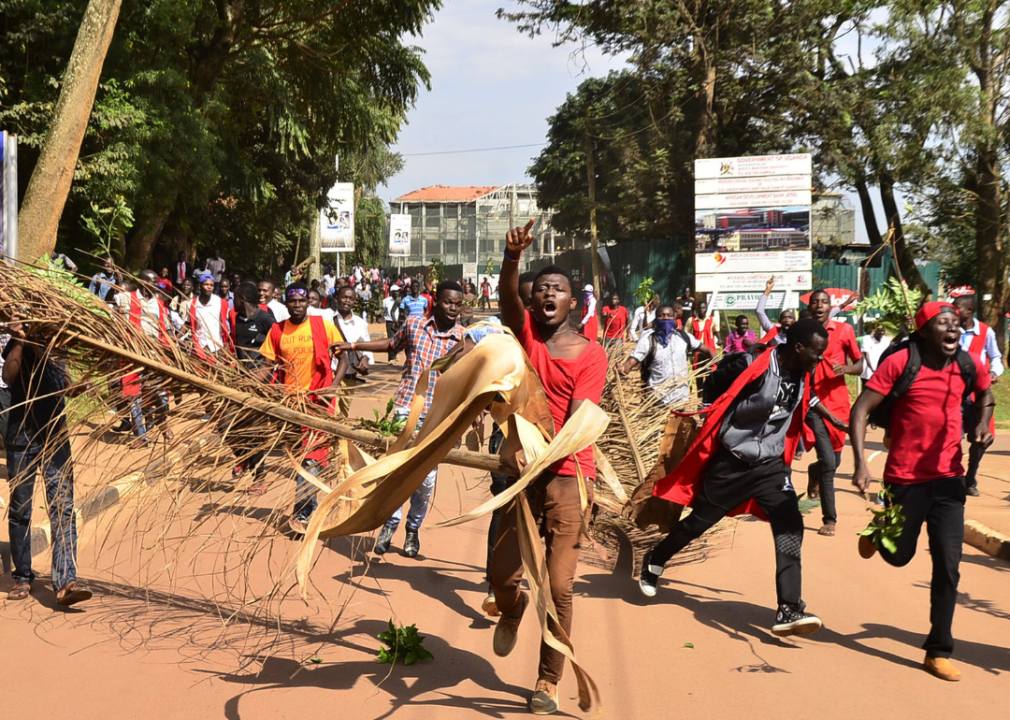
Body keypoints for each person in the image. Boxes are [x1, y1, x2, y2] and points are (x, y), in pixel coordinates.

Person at [640, 319, 846, 638]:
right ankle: (657, 556)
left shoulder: (805, 370)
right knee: (698, 523)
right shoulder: (753, 364)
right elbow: (713, 384)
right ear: (798, 348)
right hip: (732, 462)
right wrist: (712, 415)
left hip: (770, 467)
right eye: (817, 353)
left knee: (789, 526)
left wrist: (835, 420)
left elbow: (810, 399)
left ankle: (788, 607)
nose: (821, 359)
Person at [489, 219, 608, 715]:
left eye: (556, 289)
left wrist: (541, 451)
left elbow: (581, 418)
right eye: (539, 291)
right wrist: (512, 259)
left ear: (572, 302)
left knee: (559, 587)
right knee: (501, 577)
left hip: (567, 476)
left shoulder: (591, 354)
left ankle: (547, 679)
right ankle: (511, 610)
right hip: (519, 477)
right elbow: (506, 300)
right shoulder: (528, 341)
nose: (546, 295)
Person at [850, 301, 993, 683]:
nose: (953, 329)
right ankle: (881, 535)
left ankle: (938, 649)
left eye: (956, 324)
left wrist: (982, 424)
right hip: (904, 479)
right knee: (899, 558)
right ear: (924, 331)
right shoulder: (901, 363)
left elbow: (985, 393)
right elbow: (861, 409)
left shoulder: (967, 364)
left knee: (948, 566)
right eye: (943, 323)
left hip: (949, 480)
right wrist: (862, 463)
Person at [334, 281, 465, 558]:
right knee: (396, 470)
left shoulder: (463, 340)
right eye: (447, 302)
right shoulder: (415, 324)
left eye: (457, 303)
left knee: (425, 479)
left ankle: (413, 528)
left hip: (437, 416)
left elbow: (467, 381)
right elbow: (391, 344)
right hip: (405, 407)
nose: (453, 307)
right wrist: (353, 344)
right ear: (435, 302)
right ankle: (389, 524)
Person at [2, 314, 93, 605]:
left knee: (63, 506)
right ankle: (23, 576)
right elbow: (8, 377)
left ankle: (65, 580)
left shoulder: (58, 347)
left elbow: (65, 383)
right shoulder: (19, 343)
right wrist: (18, 339)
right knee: (20, 509)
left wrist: (77, 388)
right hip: (21, 435)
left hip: (55, 436)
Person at [256, 282, 348, 532]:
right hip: (291, 406)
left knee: (309, 459)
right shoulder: (277, 330)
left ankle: (304, 513)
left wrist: (334, 385)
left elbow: (343, 358)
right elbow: (267, 365)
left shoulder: (324, 327)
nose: (297, 305)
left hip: (319, 403)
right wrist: (247, 385)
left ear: (309, 302)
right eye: (292, 301)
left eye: (302, 300)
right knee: (300, 458)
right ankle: (309, 503)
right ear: (286, 303)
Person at [804, 289, 863, 536]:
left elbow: (860, 365)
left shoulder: (844, 330)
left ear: (831, 306)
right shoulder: (803, 331)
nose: (819, 306)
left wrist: (846, 369)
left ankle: (813, 472)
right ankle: (830, 519)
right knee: (829, 462)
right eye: (815, 302)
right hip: (813, 405)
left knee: (833, 462)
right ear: (810, 308)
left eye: (824, 302)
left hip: (838, 404)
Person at [226, 282, 276, 492]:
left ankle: (259, 478)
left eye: (236, 297)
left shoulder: (266, 319)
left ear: (243, 299)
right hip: (240, 380)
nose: (233, 301)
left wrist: (263, 374)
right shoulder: (236, 318)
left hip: (261, 384)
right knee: (226, 425)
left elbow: (277, 348)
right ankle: (243, 457)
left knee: (256, 431)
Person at [116, 270, 175, 448]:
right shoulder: (127, 298)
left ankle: (163, 423)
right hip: (134, 356)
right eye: (151, 282)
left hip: (155, 356)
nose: (155, 286)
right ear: (141, 282)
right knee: (134, 396)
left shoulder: (159, 304)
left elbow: (165, 329)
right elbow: (114, 315)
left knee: (160, 394)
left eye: (157, 282)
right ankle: (140, 436)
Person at [952, 295, 1003, 496]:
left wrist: (994, 372)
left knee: (981, 438)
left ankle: (970, 477)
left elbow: (996, 356)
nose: (954, 311)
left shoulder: (985, 331)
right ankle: (953, 477)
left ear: (969, 311)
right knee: (951, 437)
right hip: (954, 392)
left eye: (958, 308)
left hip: (978, 393)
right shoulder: (949, 328)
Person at [619, 304, 714, 406]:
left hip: (680, 399)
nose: (665, 318)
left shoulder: (684, 337)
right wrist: (622, 368)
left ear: (674, 318)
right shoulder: (648, 341)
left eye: (669, 315)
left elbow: (708, 351)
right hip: (657, 400)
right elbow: (629, 364)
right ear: (656, 319)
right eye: (661, 315)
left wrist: (721, 365)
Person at [333, 285, 373, 417]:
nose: (347, 301)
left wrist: (365, 359)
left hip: (350, 375)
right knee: (332, 411)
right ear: (337, 299)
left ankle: (340, 437)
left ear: (355, 302)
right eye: (344, 297)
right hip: (331, 374)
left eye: (350, 298)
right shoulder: (328, 319)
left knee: (343, 413)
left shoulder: (360, 323)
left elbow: (367, 345)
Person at [189, 273, 231, 359]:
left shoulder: (220, 303)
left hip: (217, 347)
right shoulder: (191, 304)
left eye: (212, 285)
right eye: (206, 284)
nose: (209, 287)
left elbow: (229, 322)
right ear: (199, 286)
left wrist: (228, 343)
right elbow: (188, 324)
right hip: (199, 346)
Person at [756, 277, 796, 345]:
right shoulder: (773, 331)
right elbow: (759, 311)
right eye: (784, 317)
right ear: (779, 321)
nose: (787, 320)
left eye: (790, 317)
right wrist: (768, 289)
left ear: (794, 321)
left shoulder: (799, 334)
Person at [383, 286, 401, 363]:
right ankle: (391, 358)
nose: (397, 292)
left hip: (398, 322)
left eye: (398, 291)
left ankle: (396, 353)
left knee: (398, 339)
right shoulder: (386, 301)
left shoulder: (400, 300)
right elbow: (384, 310)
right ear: (391, 292)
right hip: (390, 321)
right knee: (390, 339)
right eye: (395, 291)